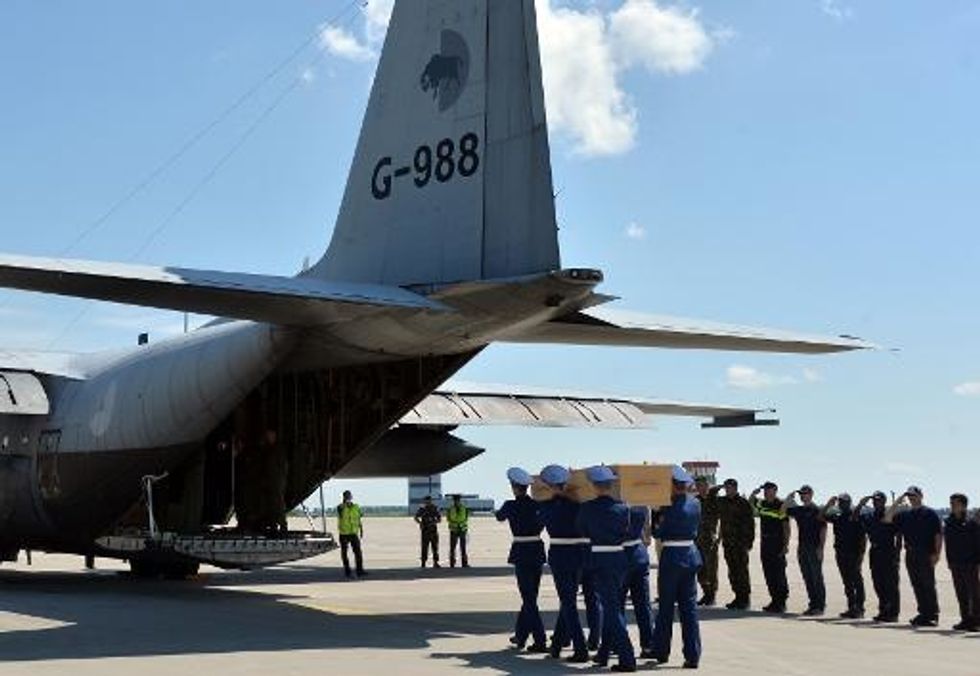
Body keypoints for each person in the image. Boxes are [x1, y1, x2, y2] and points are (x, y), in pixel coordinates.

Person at [576, 465, 636, 672]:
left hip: (599, 560)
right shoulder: (622, 508)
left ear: (594, 486)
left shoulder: (587, 508)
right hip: (619, 559)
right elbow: (627, 532)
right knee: (613, 606)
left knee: (611, 610)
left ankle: (627, 658)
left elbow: (581, 529)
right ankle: (603, 654)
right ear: (610, 486)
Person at [649, 466, 703, 669]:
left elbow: (658, 532)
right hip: (690, 555)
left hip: (672, 557)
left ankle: (661, 651)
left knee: (666, 607)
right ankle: (693, 655)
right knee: (689, 609)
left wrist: (656, 513)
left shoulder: (668, 506)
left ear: (672, 485)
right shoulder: (695, 503)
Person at [537, 465, 590, 663]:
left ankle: (580, 649)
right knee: (567, 600)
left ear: (550, 486)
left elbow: (540, 522)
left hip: (560, 555)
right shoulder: (579, 505)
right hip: (578, 554)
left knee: (568, 602)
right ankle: (557, 645)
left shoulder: (546, 506)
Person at [495, 467, 547, 653]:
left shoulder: (510, 505)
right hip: (537, 551)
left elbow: (499, 517)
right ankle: (521, 635)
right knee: (530, 596)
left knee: (528, 598)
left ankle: (540, 639)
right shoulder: (538, 505)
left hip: (521, 552)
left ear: (514, 487)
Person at [886, 486, 943, 627]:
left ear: (921, 496)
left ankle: (932, 615)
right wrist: (898, 501)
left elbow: (938, 535)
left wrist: (937, 554)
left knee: (928, 584)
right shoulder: (905, 515)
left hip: (926, 553)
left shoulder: (930, 513)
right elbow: (887, 519)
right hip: (910, 553)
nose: (912, 498)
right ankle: (923, 613)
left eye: (914, 495)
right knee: (916, 584)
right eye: (909, 496)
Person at [857, 491, 902, 622]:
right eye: (874, 500)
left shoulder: (890, 515)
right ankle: (883, 610)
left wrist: (897, 553)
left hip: (888, 551)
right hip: (875, 551)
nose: (876, 502)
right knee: (878, 583)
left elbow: (899, 535)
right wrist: (861, 504)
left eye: (879, 500)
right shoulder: (869, 516)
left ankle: (893, 613)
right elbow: (854, 518)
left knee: (891, 584)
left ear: (884, 501)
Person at [783, 485, 827, 615]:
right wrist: (788, 498)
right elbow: (782, 511)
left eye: (805, 493)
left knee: (816, 577)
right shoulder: (799, 510)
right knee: (807, 577)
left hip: (814, 547)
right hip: (802, 547)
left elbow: (823, 529)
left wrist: (821, 548)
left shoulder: (817, 510)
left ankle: (819, 606)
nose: (803, 496)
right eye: (801, 494)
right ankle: (813, 604)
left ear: (811, 494)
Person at [822, 493, 867, 619]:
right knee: (847, 581)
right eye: (841, 502)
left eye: (845, 502)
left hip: (854, 553)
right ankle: (851, 607)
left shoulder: (857, 516)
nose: (843, 504)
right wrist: (829, 504)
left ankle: (859, 608)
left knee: (856, 581)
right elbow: (821, 516)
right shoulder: (837, 516)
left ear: (849, 503)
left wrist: (861, 555)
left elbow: (863, 538)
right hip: (841, 553)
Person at [749, 481, 790, 613]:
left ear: (775, 491)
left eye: (769, 490)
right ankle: (774, 600)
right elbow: (751, 503)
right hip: (765, 543)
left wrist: (785, 545)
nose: (766, 492)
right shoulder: (762, 504)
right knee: (768, 573)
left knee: (779, 573)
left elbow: (786, 527)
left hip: (777, 543)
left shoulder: (780, 505)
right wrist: (754, 493)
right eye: (765, 490)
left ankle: (781, 602)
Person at [715, 478, 755, 610]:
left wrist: (749, 542)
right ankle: (737, 597)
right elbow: (709, 499)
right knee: (732, 571)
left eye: (730, 488)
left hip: (740, 543)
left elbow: (751, 524)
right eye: (726, 488)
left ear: (735, 488)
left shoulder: (743, 503)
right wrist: (717, 488)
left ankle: (745, 598)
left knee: (742, 571)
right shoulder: (722, 502)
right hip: (728, 543)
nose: (728, 490)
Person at [623, 504, 655, 659]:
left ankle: (618, 645)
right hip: (639, 554)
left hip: (620, 557)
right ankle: (648, 645)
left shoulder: (617, 508)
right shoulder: (640, 504)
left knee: (616, 606)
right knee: (643, 604)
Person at [944, 493, 979, 632]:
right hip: (955, 563)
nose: (952, 506)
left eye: (955, 503)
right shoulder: (949, 522)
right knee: (961, 593)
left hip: (970, 562)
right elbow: (948, 543)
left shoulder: (971, 523)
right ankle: (965, 620)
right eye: (951, 503)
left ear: (964, 506)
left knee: (974, 594)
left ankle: (976, 621)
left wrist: (977, 561)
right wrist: (949, 560)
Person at [694, 476, 720, 607]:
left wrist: (719, 537)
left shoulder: (714, 500)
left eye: (702, 485)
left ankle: (712, 595)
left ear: (707, 485)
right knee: (700, 569)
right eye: (698, 486)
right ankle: (706, 593)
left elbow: (724, 518)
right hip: (697, 540)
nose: (700, 488)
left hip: (710, 540)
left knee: (711, 570)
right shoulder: (696, 501)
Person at [336, 490, 365, 579]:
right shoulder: (340, 507)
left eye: (349, 496)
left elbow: (359, 518)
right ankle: (347, 571)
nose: (348, 498)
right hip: (344, 534)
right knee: (344, 553)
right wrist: (345, 503)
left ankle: (359, 570)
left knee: (358, 552)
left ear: (351, 497)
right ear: (344, 497)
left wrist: (361, 529)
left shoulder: (356, 507)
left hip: (353, 533)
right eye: (346, 496)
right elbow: (340, 510)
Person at [415, 495, 442, 568]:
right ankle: (423, 562)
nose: (428, 502)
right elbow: (416, 517)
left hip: (433, 530)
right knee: (424, 547)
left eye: (429, 500)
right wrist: (420, 523)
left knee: (435, 547)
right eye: (426, 501)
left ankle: (435, 562)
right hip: (425, 530)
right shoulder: (422, 509)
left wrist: (434, 522)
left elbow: (439, 519)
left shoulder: (435, 508)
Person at [447, 494, 470, 568]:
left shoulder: (464, 508)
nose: (456, 501)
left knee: (463, 547)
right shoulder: (451, 509)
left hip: (462, 529)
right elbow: (448, 518)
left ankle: (464, 563)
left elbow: (466, 517)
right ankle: (452, 563)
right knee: (452, 548)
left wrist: (462, 525)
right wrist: (454, 524)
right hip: (454, 530)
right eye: (455, 500)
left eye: (458, 500)